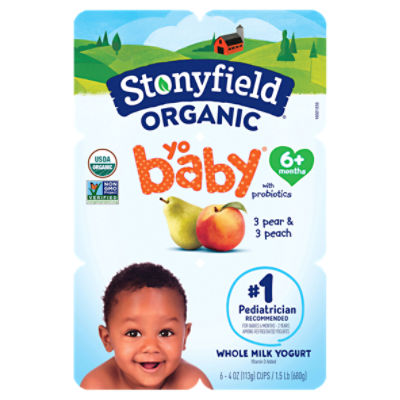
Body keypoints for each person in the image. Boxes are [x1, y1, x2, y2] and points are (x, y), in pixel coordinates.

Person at [80, 262, 213, 390]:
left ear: (185, 337)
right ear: (107, 339)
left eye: (165, 333)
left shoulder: (194, 385)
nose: (151, 347)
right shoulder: (96, 387)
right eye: (133, 333)